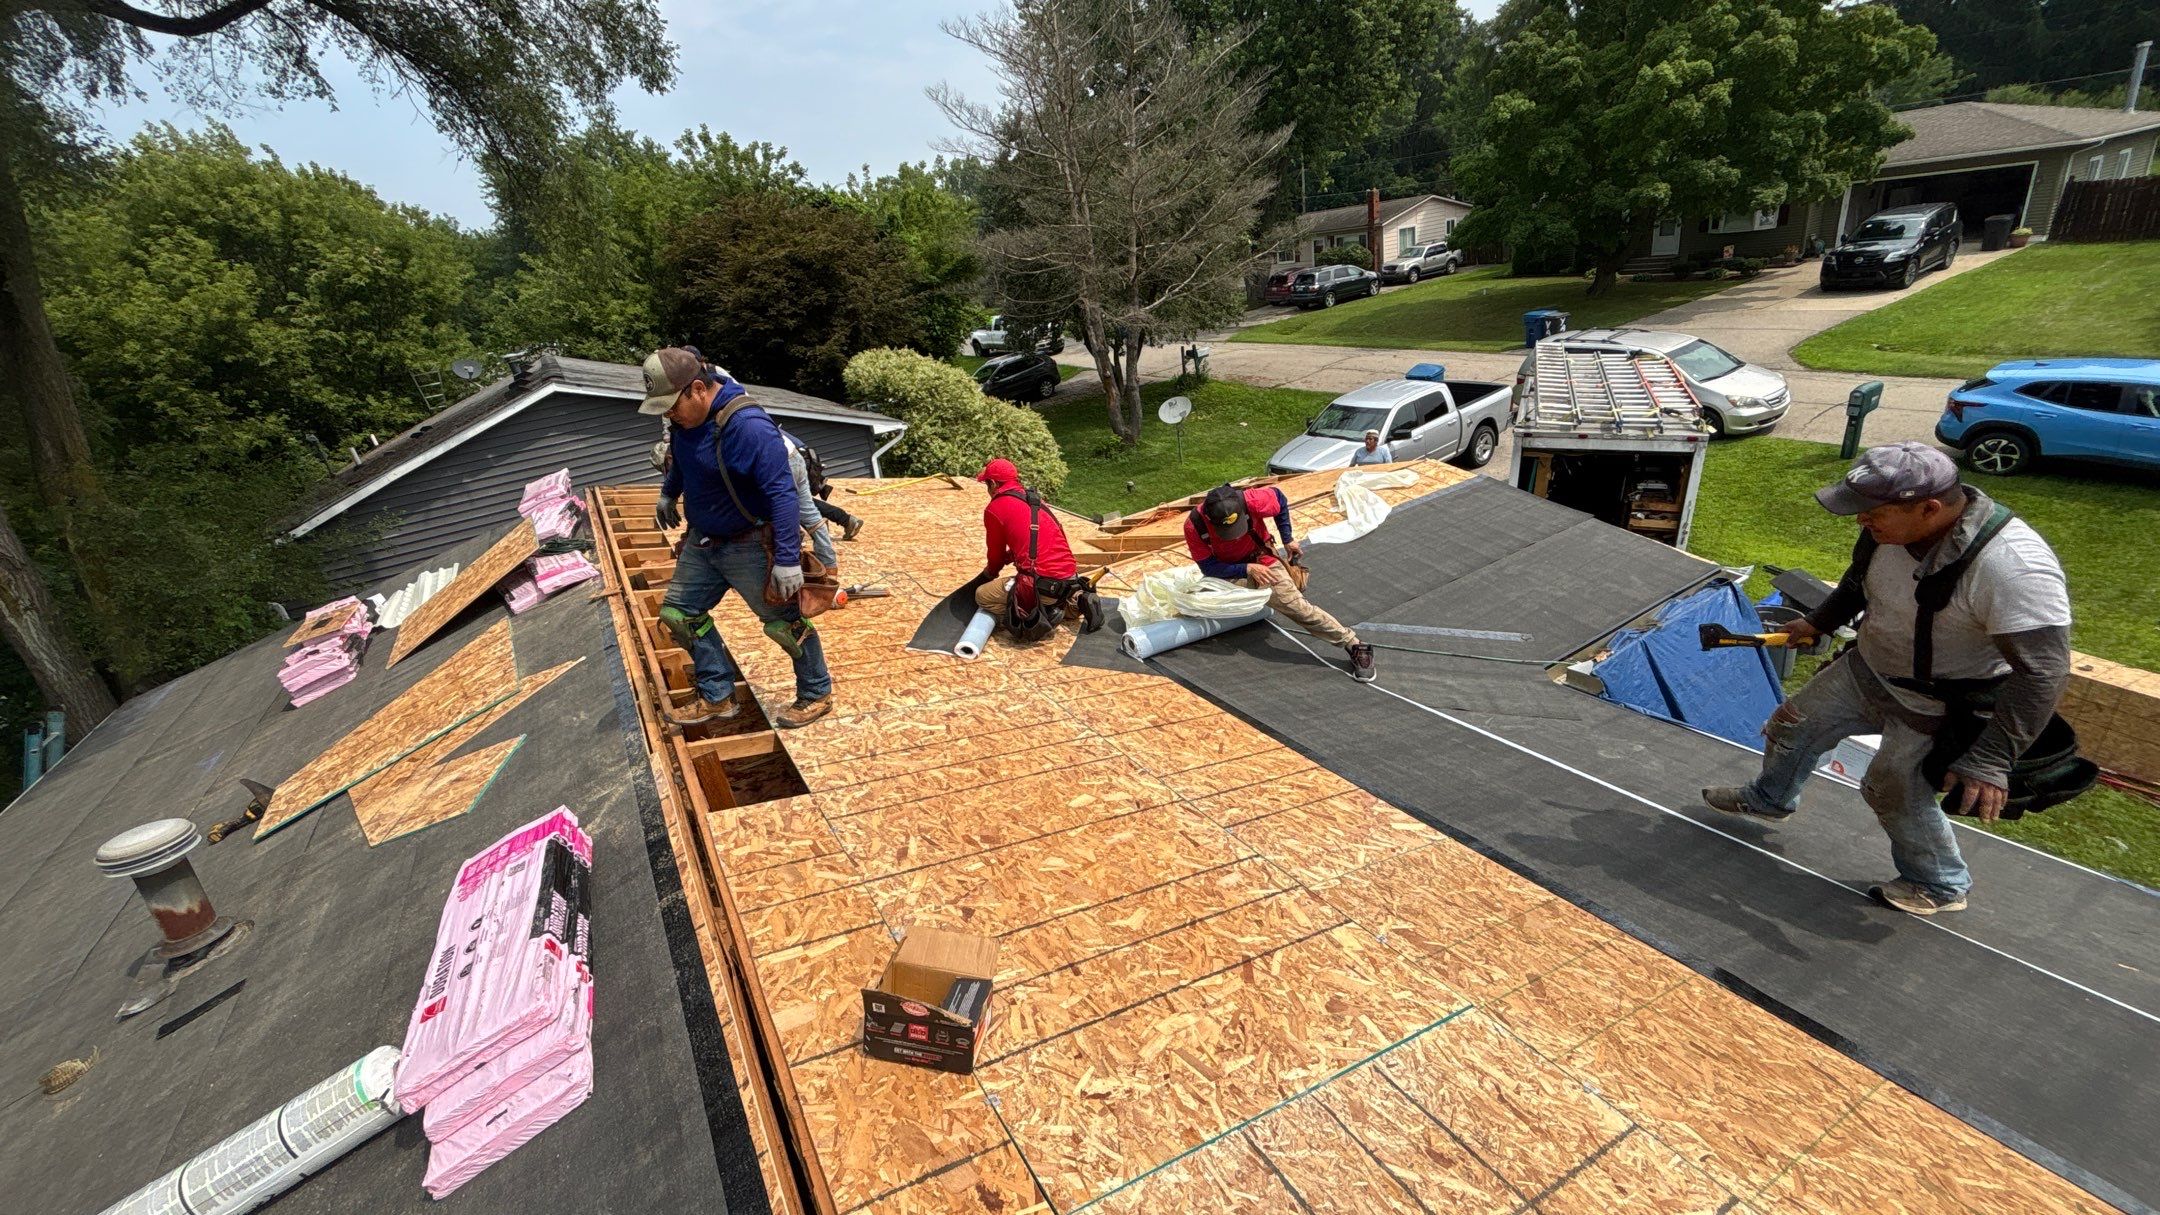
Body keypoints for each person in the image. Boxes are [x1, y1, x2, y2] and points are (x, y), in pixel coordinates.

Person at [1702, 442, 2071, 916]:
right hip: (1869, 669)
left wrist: (1991, 759)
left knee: (1889, 786)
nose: (1860, 521)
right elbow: (1859, 580)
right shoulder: (1886, 531)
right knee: (1791, 725)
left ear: (1929, 508)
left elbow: (2043, 670)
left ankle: (1938, 883)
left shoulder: (2011, 568)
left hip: (1938, 700)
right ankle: (1769, 799)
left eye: (1871, 512)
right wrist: (1819, 621)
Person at [644, 347, 835, 729]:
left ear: (698, 389)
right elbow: (682, 459)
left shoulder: (748, 427)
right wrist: (669, 491)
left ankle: (817, 692)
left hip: (750, 543)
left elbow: (782, 495)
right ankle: (718, 696)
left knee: (785, 624)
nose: (668, 414)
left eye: (671, 405)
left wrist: (785, 558)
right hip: (704, 541)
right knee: (679, 614)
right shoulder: (686, 423)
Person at [1186, 483, 1376, 682]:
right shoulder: (1195, 525)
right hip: (1231, 570)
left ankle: (1354, 644)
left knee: (1296, 607)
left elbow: (1280, 498)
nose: (1236, 534)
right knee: (1198, 602)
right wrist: (1247, 569)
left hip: (1263, 561)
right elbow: (1209, 568)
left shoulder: (1253, 500)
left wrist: (1287, 538)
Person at [966, 458, 1103, 639]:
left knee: (983, 595)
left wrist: (989, 574)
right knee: (1049, 590)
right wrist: (1011, 556)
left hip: (1042, 583)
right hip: (1069, 578)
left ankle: (1043, 613)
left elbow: (995, 555)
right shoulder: (1034, 500)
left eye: (987, 484)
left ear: (992, 484)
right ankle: (1076, 601)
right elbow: (1033, 541)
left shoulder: (995, 508)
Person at [786, 430, 866, 541]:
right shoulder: (763, 423)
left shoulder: (758, 428)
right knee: (796, 500)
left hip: (799, 459)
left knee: (791, 500)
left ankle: (814, 528)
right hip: (803, 457)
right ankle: (842, 521)